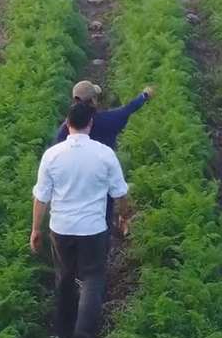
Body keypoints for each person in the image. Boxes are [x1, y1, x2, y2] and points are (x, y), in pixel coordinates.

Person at [32, 100, 131, 338]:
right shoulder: (104, 154)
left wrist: (35, 229)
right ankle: (83, 337)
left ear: (67, 124)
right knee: (92, 280)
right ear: (90, 124)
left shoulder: (52, 155)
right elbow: (120, 192)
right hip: (93, 228)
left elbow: (41, 197)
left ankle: (64, 332)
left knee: (64, 277)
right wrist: (123, 217)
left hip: (60, 228)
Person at [49, 80, 153, 228]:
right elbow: (128, 108)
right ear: (92, 100)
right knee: (102, 226)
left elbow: (53, 159)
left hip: (70, 194)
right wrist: (144, 95)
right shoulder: (109, 120)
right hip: (101, 189)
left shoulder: (65, 129)